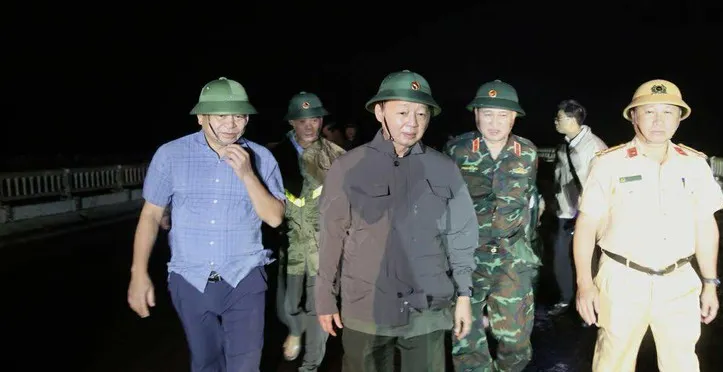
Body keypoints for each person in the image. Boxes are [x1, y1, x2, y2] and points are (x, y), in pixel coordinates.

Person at [315, 70, 479, 372]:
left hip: (427, 308)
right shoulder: (348, 167)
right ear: (380, 112)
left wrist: (465, 295)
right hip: (367, 308)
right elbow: (330, 236)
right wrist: (325, 296)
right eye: (402, 112)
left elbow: (461, 235)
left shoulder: (443, 169)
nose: (412, 122)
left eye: (421, 113)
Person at [127, 77, 285, 372]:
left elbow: (275, 217)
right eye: (221, 115)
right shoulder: (170, 155)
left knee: (246, 366)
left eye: (239, 115)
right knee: (205, 362)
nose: (231, 124)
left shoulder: (261, 158)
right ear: (201, 117)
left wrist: (247, 174)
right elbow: (150, 215)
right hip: (190, 277)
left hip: (245, 277)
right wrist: (139, 274)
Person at [574, 79, 723, 372]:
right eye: (649, 112)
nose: (659, 121)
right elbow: (586, 225)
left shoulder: (695, 165)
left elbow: (705, 225)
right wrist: (584, 284)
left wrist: (710, 283)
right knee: (612, 363)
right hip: (621, 280)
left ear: (679, 118)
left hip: (679, 281)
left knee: (682, 363)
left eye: (668, 112)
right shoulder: (609, 163)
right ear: (633, 116)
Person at [444, 79, 542, 372]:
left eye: (503, 115)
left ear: (514, 117)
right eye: (488, 113)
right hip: (467, 258)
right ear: (476, 114)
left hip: (511, 257)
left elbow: (529, 200)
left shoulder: (527, 152)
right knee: (466, 338)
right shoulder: (457, 150)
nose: (495, 122)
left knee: (517, 339)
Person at [271, 91, 346, 370]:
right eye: (302, 120)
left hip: (323, 247)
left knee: (321, 308)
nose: (309, 126)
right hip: (288, 244)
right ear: (292, 122)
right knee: (287, 307)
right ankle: (294, 327)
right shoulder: (273, 156)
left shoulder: (336, 156)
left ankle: (310, 365)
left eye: (315, 118)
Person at [548, 99, 607, 316]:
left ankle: (591, 307)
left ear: (573, 120)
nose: (555, 121)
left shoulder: (594, 147)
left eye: (560, 118)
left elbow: (601, 186)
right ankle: (566, 300)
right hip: (565, 213)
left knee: (588, 261)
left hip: (587, 216)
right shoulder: (564, 145)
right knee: (561, 258)